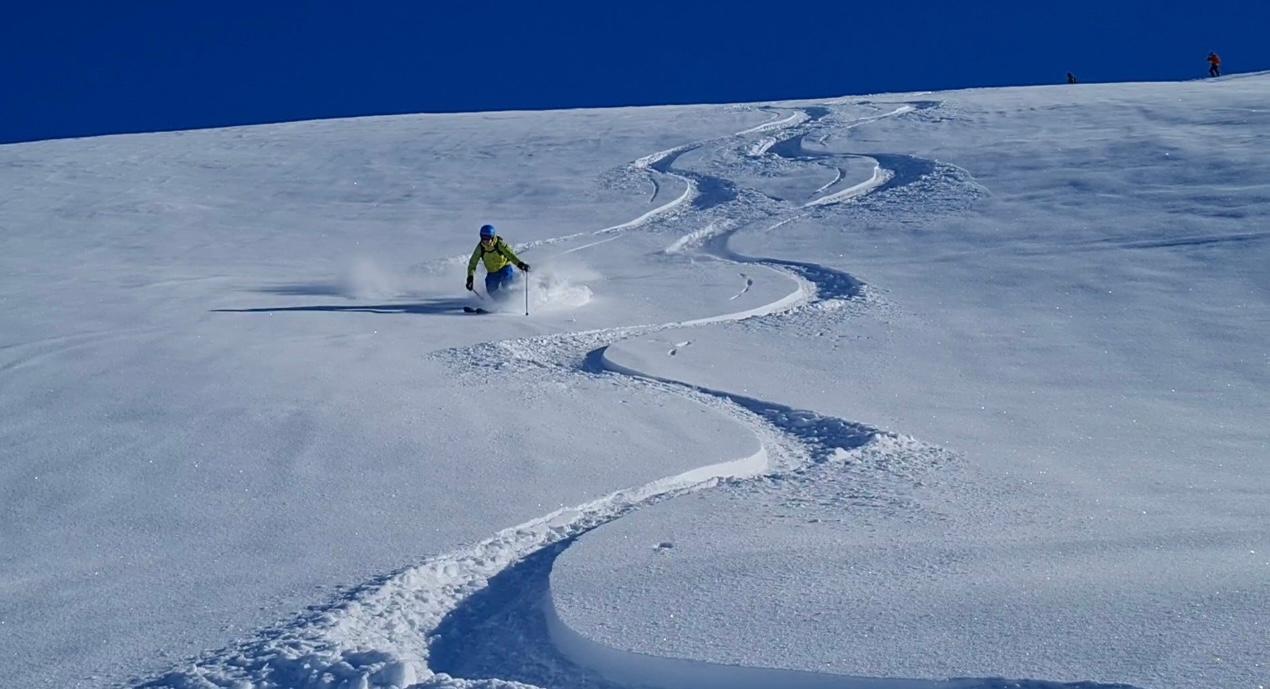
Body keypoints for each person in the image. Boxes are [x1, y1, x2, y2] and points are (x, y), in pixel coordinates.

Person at [466, 224, 529, 297]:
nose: (485, 241)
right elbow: (472, 263)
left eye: (487, 238)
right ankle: (500, 302)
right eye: (483, 238)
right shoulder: (480, 248)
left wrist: (520, 264)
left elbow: (510, 255)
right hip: (492, 272)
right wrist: (470, 278)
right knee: (491, 289)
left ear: (492, 237)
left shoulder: (499, 244)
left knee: (507, 284)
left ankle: (513, 298)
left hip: (504, 267)